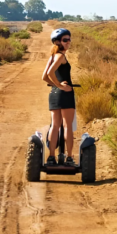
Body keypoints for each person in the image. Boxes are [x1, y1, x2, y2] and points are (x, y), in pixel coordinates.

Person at [42, 28, 75, 166]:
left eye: (69, 39)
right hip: (65, 94)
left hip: (54, 94)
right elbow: (50, 73)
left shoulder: (52, 56)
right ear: (58, 42)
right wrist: (61, 86)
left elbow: (44, 77)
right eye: (65, 40)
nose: (68, 42)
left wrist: (55, 85)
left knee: (55, 126)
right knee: (67, 126)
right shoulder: (60, 56)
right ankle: (69, 158)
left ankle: (51, 157)